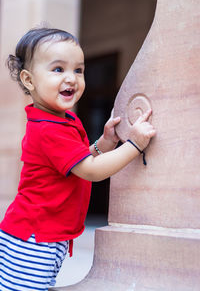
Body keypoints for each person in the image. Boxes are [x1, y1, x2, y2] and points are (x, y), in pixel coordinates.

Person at [0, 27, 156, 291]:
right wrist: (134, 145)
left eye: (78, 70)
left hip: (48, 234)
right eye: (58, 69)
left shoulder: (65, 119)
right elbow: (92, 171)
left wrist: (104, 143)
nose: (71, 78)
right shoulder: (48, 129)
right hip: (33, 238)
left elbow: (78, 161)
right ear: (29, 80)